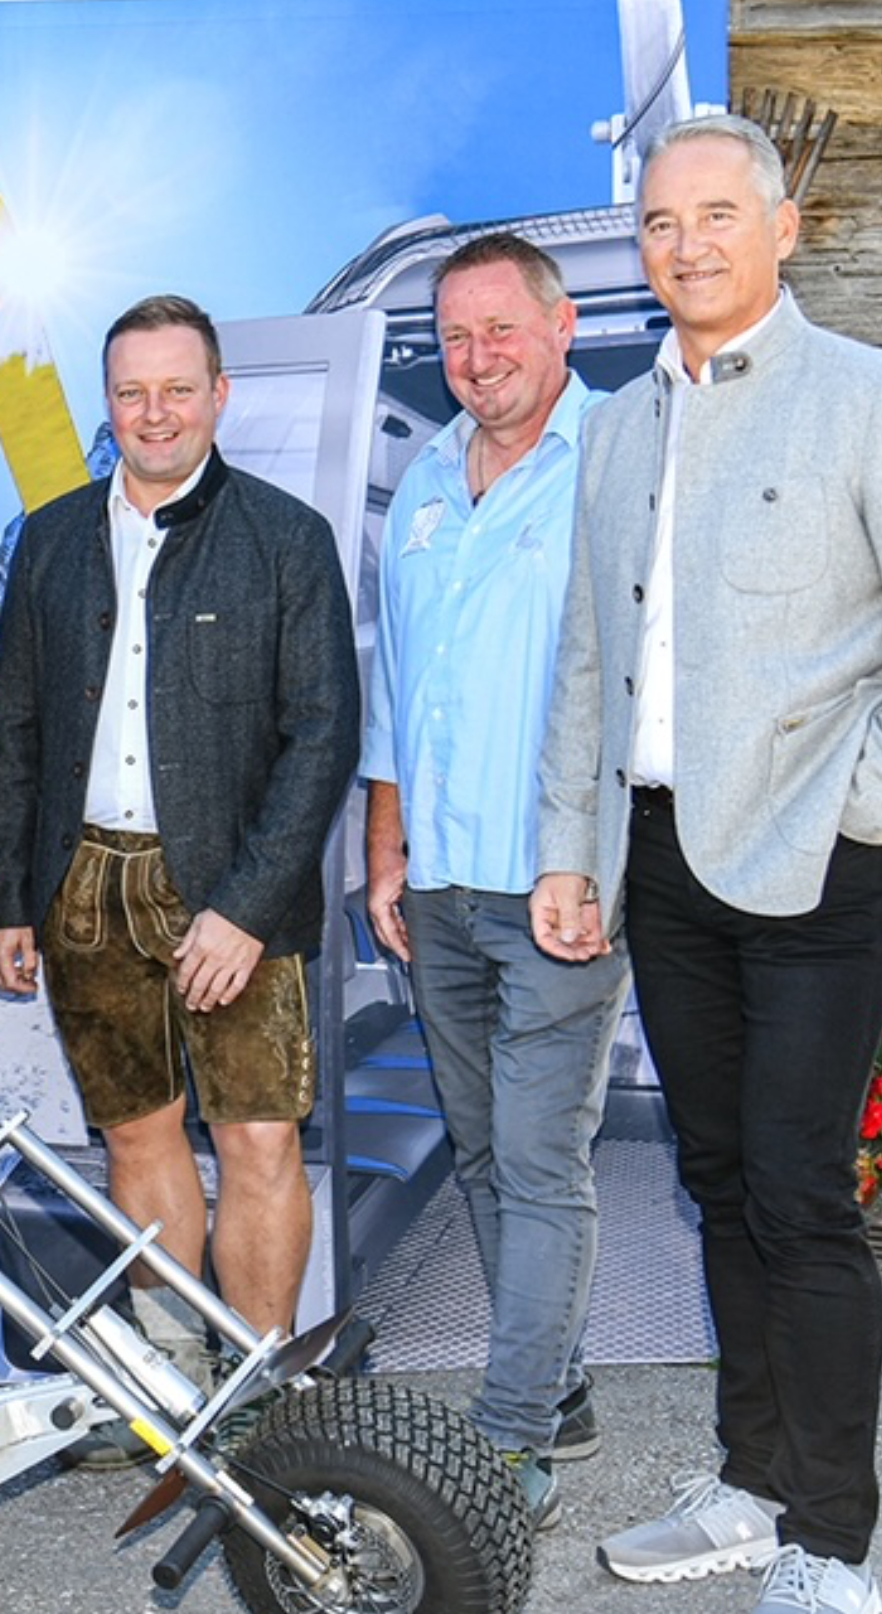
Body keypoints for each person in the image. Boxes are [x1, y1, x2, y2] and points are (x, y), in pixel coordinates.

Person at [530, 115, 882, 1614]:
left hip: (821, 862)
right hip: (664, 862)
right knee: (721, 1181)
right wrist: (570, 849)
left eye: (717, 216)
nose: (686, 246)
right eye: (662, 222)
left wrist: (867, 811)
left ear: (783, 227)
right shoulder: (616, 426)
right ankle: (750, 1480)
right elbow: (588, 669)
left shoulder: (879, 402)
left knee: (802, 1199)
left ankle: (831, 1546)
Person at [0, 294, 360, 1461]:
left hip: (233, 893)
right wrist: (8, 898)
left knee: (255, 1142)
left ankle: (254, 1389)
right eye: (131, 392)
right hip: (81, 888)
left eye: (176, 389)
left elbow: (322, 735)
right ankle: (167, 1371)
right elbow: (21, 729)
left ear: (217, 398)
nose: (153, 413)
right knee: (138, 1139)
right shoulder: (46, 539)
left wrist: (243, 909)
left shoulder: (285, 540)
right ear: (108, 404)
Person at [364, 232, 633, 1532]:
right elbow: (395, 683)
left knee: (539, 1157)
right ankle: (563, 1381)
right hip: (442, 892)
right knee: (478, 1148)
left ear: (563, 324)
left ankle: (512, 1435)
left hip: (559, 890)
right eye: (454, 339)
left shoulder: (618, 469)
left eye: (499, 332)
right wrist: (384, 845)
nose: (476, 361)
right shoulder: (421, 477)